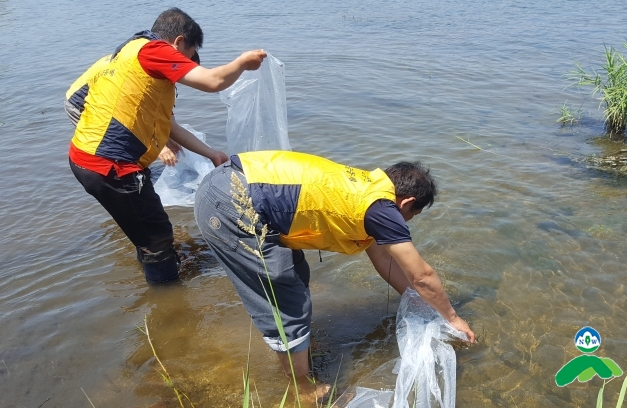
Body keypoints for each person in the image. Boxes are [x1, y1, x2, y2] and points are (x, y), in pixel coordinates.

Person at [193, 150, 476, 400]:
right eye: (411, 215)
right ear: (406, 202)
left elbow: (383, 259)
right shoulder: (382, 210)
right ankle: (301, 387)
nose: (406, 221)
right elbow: (423, 275)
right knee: (285, 301)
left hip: (232, 180)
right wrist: (452, 318)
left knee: (296, 275)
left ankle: (296, 349)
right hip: (232, 204)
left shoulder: (368, 188)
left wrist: (417, 300)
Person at [66, 8, 267, 282]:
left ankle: (152, 270)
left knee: (146, 225)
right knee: (159, 239)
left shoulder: (131, 55)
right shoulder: (155, 51)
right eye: (188, 57)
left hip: (98, 160)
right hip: (110, 166)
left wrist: (211, 154)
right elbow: (213, 81)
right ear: (178, 42)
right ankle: (170, 308)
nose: (183, 67)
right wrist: (244, 62)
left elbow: (171, 127)